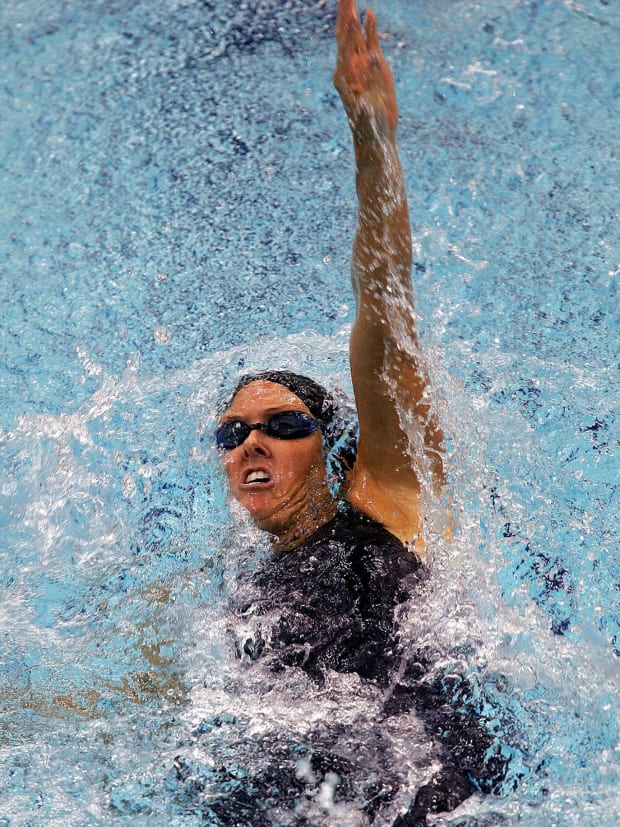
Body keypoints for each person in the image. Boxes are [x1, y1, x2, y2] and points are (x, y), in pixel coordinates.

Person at [192, 1, 507, 823]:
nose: (252, 440)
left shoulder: (381, 502)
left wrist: (373, 141)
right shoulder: (235, 594)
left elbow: (386, 308)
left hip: (426, 791)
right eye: (234, 432)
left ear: (331, 446)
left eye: (283, 424)